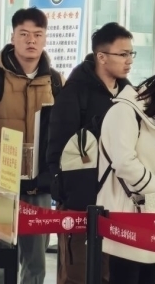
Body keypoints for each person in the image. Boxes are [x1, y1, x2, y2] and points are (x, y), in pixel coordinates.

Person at [0, 7, 62, 284]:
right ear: (13, 37)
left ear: (45, 38)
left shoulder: (56, 82)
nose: (31, 40)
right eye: (24, 34)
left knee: (36, 262)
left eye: (38, 34)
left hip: (38, 186)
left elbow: (63, 133)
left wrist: (54, 175)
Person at [46, 22, 135, 284]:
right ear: (101, 56)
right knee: (80, 274)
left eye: (131, 53)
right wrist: (71, 195)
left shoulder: (130, 95)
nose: (129, 60)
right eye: (122, 54)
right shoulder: (75, 93)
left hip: (120, 205)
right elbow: (58, 150)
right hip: (82, 204)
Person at [96, 66, 155, 284]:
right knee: (127, 274)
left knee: (149, 274)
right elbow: (124, 162)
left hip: (150, 209)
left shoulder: (150, 115)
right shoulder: (124, 112)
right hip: (128, 209)